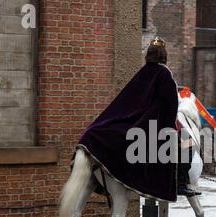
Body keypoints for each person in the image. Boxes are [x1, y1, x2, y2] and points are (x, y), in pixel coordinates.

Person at [77, 37, 198, 201]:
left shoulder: (142, 73)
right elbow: (171, 105)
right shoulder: (165, 74)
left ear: (148, 55)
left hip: (136, 122)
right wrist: (170, 127)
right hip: (155, 126)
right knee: (189, 144)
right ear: (164, 55)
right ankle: (181, 184)